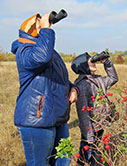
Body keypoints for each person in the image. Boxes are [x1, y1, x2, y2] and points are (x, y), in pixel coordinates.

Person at [11, 12, 78, 166]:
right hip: (37, 120)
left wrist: (74, 88)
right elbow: (40, 58)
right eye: (40, 24)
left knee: (63, 161)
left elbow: (60, 78)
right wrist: (46, 29)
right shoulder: (24, 51)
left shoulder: (51, 53)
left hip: (58, 118)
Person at [71, 52, 118, 165]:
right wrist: (89, 135)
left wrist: (106, 63)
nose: (93, 63)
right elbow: (82, 113)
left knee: (93, 153)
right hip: (91, 127)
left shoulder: (98, 80)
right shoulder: (82, 84)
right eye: (89, 61)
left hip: (100, 123)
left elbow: (113, 78)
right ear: (83, 66)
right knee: (86, 155)